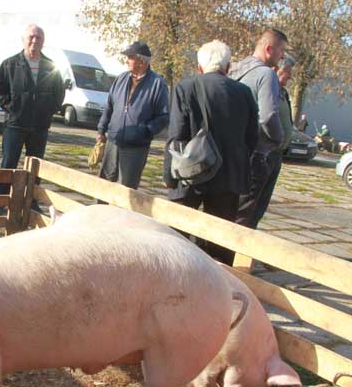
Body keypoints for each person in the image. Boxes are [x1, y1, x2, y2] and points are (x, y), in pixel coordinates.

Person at [163, 40, 259, 265]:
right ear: (228, 67)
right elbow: (252, 138)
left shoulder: (186, 87)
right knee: (219, 244)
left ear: (199, 67)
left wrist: (169, 175)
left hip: (190, 173)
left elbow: (176, 135)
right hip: (229, 178)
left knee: (175, 238)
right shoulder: (244, 93)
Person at [0, 24, 64, 214]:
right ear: (23, 39)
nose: (34, 41)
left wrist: (49, 110)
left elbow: (59, 95)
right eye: (31, 37)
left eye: (38, 38)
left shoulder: (51, 66)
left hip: (39, 126)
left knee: (36, 167)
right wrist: (11, 107)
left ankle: (32, 202)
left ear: (43, 41)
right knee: (9, 163)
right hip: (15, 124)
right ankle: (0, 202)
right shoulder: (10, 64)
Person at [230, 28, 288, 228]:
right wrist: (278, 140)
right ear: (269, 49)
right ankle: (233, 258)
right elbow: (269, 116)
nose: (282, 57)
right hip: (257, 154)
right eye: (281, 51)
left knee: (227, 208)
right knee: (246, 215)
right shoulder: (265, 75)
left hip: (232, 152)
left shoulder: (235, 69)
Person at [97, 41, 169, 190]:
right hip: (113, 141)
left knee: (126, 190)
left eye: (130, 57)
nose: (126, 60)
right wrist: (101, 129)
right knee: (104, 186)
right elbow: (109, 106)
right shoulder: (121, 78)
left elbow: (163, 116)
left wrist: (144, 131)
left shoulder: (157, 84)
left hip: (135, 148)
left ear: (142, 61)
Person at [249, 55, 296, 228]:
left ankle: (249, 239)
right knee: (249, 205)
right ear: (276, 70)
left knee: (260, 206)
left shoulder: (283, 92)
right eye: (287, 72)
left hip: (276, 155)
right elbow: (267, 117)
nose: (290, 77)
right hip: (263, 154)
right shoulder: (267, 88)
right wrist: (277, 138)